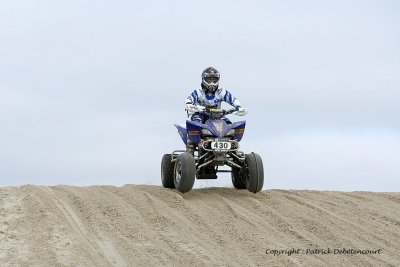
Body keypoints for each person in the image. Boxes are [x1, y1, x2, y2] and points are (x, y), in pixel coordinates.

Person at [184, 67, 247, 154]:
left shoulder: (221, 92)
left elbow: (232, 99)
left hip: (217, 116)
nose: (212, 82)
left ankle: (232, 146)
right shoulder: (199, 91)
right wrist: (189, 105)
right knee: (196, 124)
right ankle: (190, 147)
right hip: (200, 114)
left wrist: (238, 107)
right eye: (209, 79)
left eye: (214, 79)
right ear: (204, 79)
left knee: (229, 125)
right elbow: (189, 99)